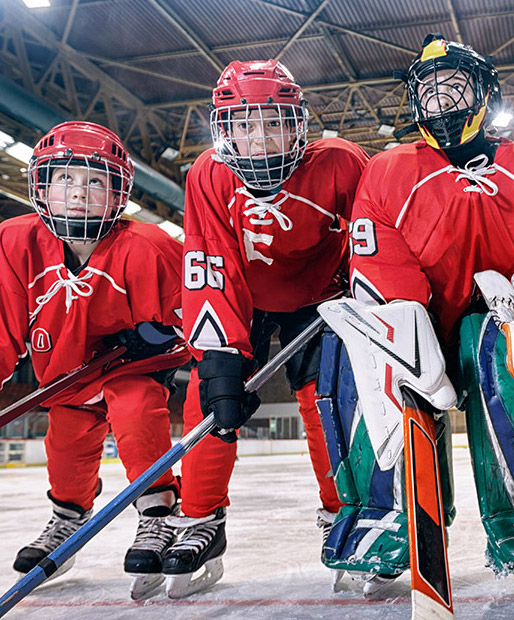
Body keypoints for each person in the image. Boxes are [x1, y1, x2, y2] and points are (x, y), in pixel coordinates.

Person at [323, 34, 514, 600]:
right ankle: (385, 525)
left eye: (454, 85)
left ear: (484, 93)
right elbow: (375, 257)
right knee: (363, 356)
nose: (439, 98)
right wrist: (405, 322)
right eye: (427, 89)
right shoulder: (389, 169)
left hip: (499, 324)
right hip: (418, 321)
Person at [171, 59, 369, 598]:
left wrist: (364, 295)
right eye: (243, 124)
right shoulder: (208, 174)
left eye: (274, 122)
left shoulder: (343, 163)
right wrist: (220, 355)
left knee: (325, 403)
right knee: (208, 402)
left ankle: (345, 513)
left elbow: (374, 237)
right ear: (224, 130)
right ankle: (201, 520)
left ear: (297, 124)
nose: (259, 138)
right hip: (246, 300)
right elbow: (211, 262)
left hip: (322, 300)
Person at [0, 121, 189, 599]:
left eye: (95, 181)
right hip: (66, 378)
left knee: (135, 411)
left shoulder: (152, 247)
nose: (79, 193)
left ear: (117, 192)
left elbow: (202, 322)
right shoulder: (13, 242)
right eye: (64, 179)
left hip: (132, 369)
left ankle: (158, 512)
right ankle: (66, 518)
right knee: (65, 446)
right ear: (41, 186)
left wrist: (167, 341)